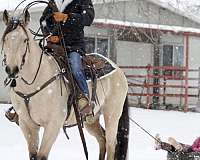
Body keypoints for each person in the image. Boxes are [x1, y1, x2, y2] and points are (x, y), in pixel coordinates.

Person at [5, 0, 95, 123]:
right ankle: (20, 103)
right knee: (34, 64)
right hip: (54, 46)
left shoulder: (82, 1)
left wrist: (67, 17)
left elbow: (88, 17)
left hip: (74, 46)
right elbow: (43, 21)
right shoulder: (53, 2)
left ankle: (83, 99)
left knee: (75, 67)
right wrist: (49, 34)